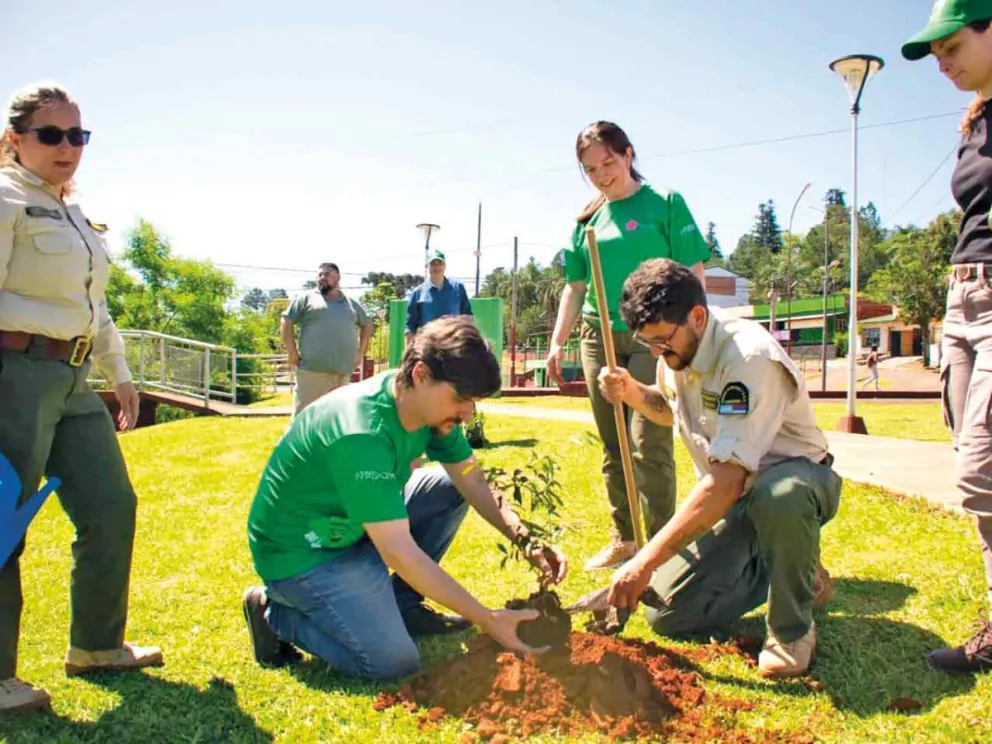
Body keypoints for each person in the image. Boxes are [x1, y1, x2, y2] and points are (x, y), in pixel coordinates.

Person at [243, 316, 568, 679]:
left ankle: (403, 604)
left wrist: (525, 540)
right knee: (393, 662)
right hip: (305, 553)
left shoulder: (425, 411)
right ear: (421, 375)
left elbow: (472, 480)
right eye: (461, 399)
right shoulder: (361, 433)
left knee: (449, 487)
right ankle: (274, 613)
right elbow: (398, 551)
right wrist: (487, 618)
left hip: (354, 525)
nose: (467, 414)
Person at [0, 82, 162, 714]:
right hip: (13, 371)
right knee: (3, 524)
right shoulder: (6, 198)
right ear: (15, 139)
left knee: (111, 505)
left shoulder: (72, 210)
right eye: (52, 134)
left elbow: (93, 306)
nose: (68, 147)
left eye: (78, 135)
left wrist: (116, 370)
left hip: (71, 379)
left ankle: (96, 647)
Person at [599, 259, 840, 678]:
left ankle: (790, 631)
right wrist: (634, 393)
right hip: (736, 500)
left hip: (795, 483)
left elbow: (727, 481)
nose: (656, 352)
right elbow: (670, 409)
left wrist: (644, 561)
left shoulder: (748, 359)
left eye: (662, 341)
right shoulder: (678, 349)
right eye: (647, 343)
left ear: (696, 316)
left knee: (779, 496)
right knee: (669, 613)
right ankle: (793, 569)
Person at [547, 121, 711, 571]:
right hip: (598, 334)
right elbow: (574, 288)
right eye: (591, 169)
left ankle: (661, 545)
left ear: (628, 154)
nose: (601, 175)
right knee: (612, 442)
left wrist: (692, 330)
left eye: (608, 163)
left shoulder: (666, 204)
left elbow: (693, 271)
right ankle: (625, 537)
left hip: (652, 335)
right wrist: (558, 342)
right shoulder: (587, 222)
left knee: (647, 439)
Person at [902, 1, 992, 674]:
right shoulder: (975, 119)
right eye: (934, 52)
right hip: (962, 300)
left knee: (980, 472)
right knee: (972, 458)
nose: (941, 61)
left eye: (952, 44)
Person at [282, 262, 373, 415]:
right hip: (312, 372)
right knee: (303, 418)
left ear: (338, 278)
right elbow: (286, 321)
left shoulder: (351, 304)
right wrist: (291, 351)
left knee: (334, 419)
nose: (323, 278)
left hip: (342, 374)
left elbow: (367, 325)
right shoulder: (306, 298)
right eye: (320, 275)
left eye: (328, 274)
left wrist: (360, 352)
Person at [404, 248, 473, 343]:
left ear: (445, 266)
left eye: (440, 263)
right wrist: (409, 353)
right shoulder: (418, 293)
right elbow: (410, 326)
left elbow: (467, 318)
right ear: (427, 266)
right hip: (428, 346)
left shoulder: (458, 288)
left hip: (454, 346)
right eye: (433, 264)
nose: (436, 267)